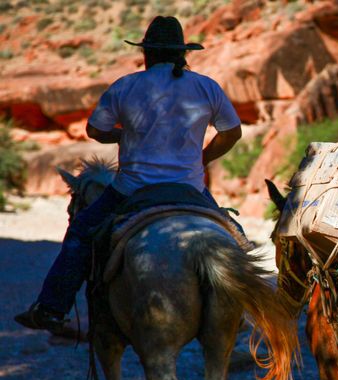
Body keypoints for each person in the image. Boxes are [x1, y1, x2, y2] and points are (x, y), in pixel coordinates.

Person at [15, 16, 243, 331]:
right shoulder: (206, 86)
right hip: (188, 187)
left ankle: (52, 308)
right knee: (236, 236)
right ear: (182, 53)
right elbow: (232, 134)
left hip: (131, 189)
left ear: (146, 53)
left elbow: (95, 129)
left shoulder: (126, 85)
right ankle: (246, 312)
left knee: (81, 232)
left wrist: (121, 135)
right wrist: (202, 159)